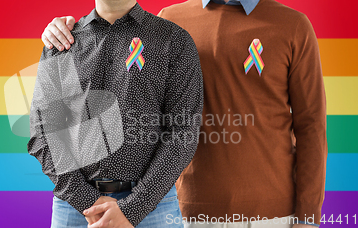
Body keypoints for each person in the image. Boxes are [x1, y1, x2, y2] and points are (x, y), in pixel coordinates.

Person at [41, 0, 327, 227]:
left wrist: (307, 217)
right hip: (187, 209)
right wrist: (64, 30)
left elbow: (311, 126)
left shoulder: (293, 25)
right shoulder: (171, 19)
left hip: (272, 213)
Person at [28, 0, 204, 227]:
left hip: (153, 207)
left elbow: (183, 133)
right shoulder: (62, 43)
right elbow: (43, 133)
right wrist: (85, 200)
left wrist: (134, 208)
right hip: (74, 209)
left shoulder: (174, 40)